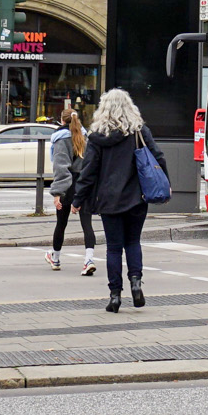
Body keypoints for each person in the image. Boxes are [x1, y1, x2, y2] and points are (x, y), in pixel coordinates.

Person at [71, 88, 169, 314]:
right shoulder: (139, 131)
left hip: (108, 200)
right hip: (136, 198)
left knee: (114, 248)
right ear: (129, 107)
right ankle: (136, 283)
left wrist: (77, 200)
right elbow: (158, 157)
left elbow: (89, 172)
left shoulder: (96, 137)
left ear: (103, 109)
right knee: (133, 242)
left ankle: (115, 296)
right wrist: (166, 183)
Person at [46, 102, 98, 274]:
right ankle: (88, 260)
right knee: (87, 223)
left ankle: (56, 259)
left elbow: (62, 168)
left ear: (61, 121)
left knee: (61, 223)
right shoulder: (85, 138)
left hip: (68, 185)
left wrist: (57, 193)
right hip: (85, 184)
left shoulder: (61, 140)